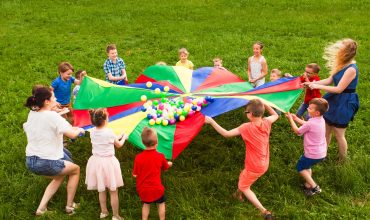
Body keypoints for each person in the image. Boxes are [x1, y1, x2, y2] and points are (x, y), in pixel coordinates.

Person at [205, 99, 279, 220]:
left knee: (245, 187)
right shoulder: (266, 122)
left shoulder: (246, 127)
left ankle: (264, 212)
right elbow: (275, 115)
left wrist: (212, 121)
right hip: (264, 162)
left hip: (254, 166)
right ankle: (237, 195)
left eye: (246, 112)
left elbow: (226, 134)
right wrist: (265, 102)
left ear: (250, 114)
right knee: (244, 178)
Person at [24, 86, 84, 216]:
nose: (56, 98)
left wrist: (57, 112)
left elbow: (47, 119)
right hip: (46, 162)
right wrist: (79, 130)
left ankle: (41, 209)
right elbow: (72, 135)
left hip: (30, 161)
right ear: (46, 101)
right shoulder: (52, 117)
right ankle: (70, 206)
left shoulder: (33, 113)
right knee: (75, 170)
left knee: (59, 176)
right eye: (53, 97)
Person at [306, 39, 359, 161]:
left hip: (345, 102)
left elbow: (339, 89)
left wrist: (318, 86)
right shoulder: (341, 64)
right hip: (333, 100)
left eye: (339, 49)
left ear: (345, 53)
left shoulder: (351, 69)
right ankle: (322, 154)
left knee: (339, 133)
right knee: (326, 129)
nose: (337, 52)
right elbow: (329, 80)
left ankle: (342, 160)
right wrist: (311, 83)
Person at [85, 108, 127, 220]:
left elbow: (107, 140)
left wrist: (117, 137)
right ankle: (115, 215)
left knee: (101, 188)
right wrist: (124, 138)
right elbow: (118, 145)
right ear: (105, 120)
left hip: (96, 162)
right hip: (109, 163)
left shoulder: (92, 131)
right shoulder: (109, 132)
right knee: (113, 191)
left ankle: (103, 212)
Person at [286, 98, 329, 196]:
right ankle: (308, 184)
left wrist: (291, 119)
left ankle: (314, 187)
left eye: (310, 108)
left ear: (317, 112)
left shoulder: (311, 122)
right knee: (307, 166)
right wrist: (297, 119)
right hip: (321, 152)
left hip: (312, 153)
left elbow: (297, 131)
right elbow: (309, 125)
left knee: (300, 167)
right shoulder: (320, 120)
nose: (308, 109)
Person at [133, 127, 173, 220]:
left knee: (146, 205)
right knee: (161, 203)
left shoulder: (138, 158)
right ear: (157, 142)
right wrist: (169, 164)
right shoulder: (160, 156)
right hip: (157, 189)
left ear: (143, 143)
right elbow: (165, 168)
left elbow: (135, 174)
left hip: (143, 190)